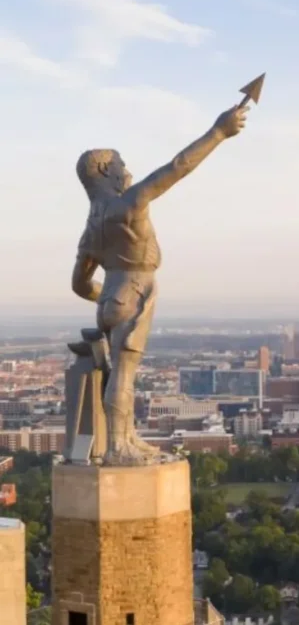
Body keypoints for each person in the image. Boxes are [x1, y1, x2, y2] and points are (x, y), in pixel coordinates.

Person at [72, 105, 248, 465]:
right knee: (123, 374)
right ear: (106, 171)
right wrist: (218, 132)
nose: (128, 171)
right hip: (134, 292)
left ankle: (128, 439)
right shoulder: (128, 205)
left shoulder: (92, 226)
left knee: (120, 374)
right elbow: (178, 167)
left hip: (110, 297)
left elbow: (79, 284)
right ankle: (118, 448)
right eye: (120, 165)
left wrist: (107, 298)